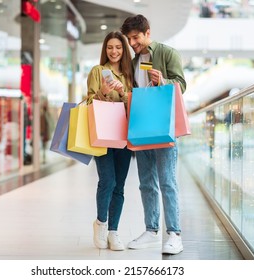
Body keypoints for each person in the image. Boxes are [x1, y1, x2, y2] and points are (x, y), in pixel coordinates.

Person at [121, 14, 186, 255]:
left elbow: (182, 84)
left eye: (135, 38)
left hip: (163, 126)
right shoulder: (133, 60)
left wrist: (164, 80)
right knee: (146, 182)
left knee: (167, 181)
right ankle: (151, 230)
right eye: (129, 39)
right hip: (141, 126)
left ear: (147, 32)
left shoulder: (168, 53)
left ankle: (174, 234)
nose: (132, 43)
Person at [87, 31, 133, 251]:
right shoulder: (97, 71)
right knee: (108, 180)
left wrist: (124, 93)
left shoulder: (128, 74)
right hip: (103, 134)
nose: (114, 51)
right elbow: (88, 102)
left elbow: (135, 104)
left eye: (118, 47)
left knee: (120, 186)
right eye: (110, 47)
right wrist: (102, 93)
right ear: (105, 50)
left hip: (123, 133)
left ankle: (114, 231)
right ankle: (101, 223)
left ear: (124, 50)